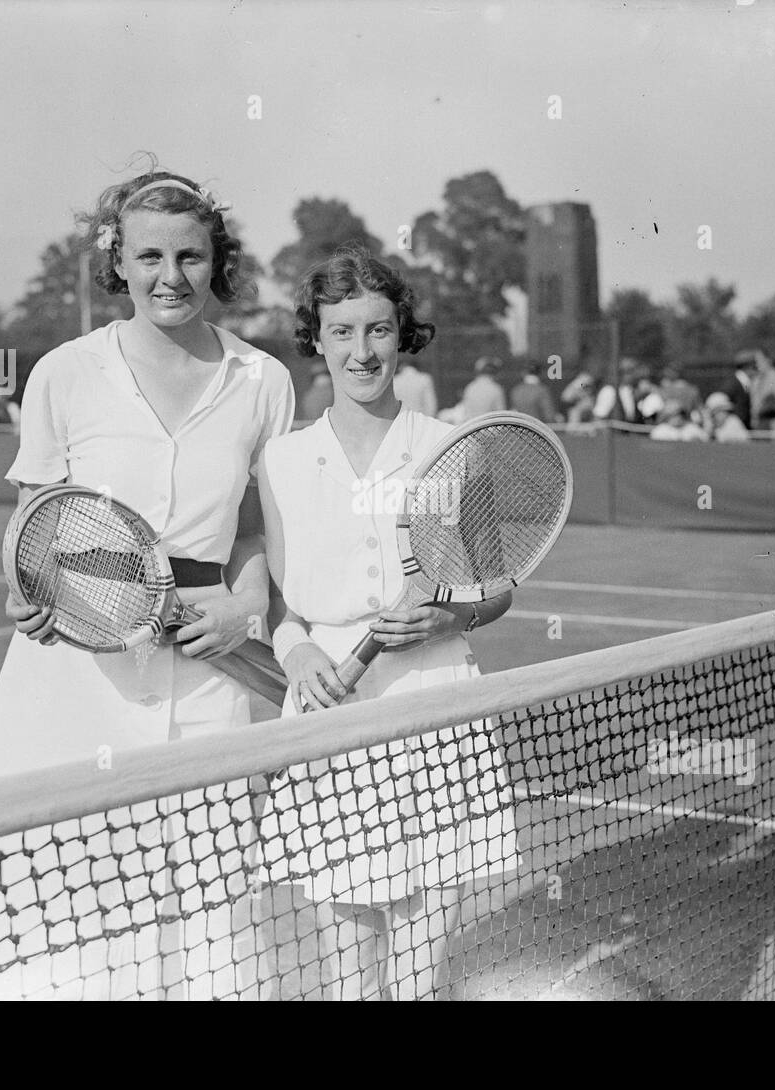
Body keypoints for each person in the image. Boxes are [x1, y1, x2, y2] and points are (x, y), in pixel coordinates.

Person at [0, 169, 295, 1002]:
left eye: (190, 256)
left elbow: (260, 529)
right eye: (149, 255)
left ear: (218, 263)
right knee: (60, 900)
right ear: (118, 261)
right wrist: (25, 589)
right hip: (72, 677)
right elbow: (37, 520)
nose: (170, 276)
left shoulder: (264, 380)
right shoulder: (65, 372)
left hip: (208, 673)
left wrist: (247, 606)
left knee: (207, 910)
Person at [257, 246, 520, 1000]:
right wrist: (298, 648)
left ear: (402, 334)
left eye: (377, 330)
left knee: (418, 973)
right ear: (317, 338)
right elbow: (280, 603)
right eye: (342, 332)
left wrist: (444, 620)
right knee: (348, 977)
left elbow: (496, 589)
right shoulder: (280, 460)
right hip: (329, 712)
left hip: (433, 705)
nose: (361, 351)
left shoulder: (449, 446)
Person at [739, 348, 775, 430]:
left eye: (759, 360)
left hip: (774, 425)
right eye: (754, 361)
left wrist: (764, 408)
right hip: (759, 425)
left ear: (768, 360)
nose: (756, 364)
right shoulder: (755, 379)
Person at [449, 355, 506, 422]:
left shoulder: (470, 387)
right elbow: (501, 415)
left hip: (472, 428)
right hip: (489, 429)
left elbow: (465, 413)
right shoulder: (496, 389)